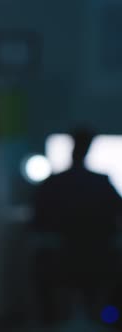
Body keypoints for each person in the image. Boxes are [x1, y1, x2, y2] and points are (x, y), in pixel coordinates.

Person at [31, 128, 122, 325]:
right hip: (98, 260)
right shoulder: (101, 182)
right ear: (88, 149)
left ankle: (50, 321)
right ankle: (110, 319)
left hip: (61, 260)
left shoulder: (53, 183)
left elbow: (36, 222)